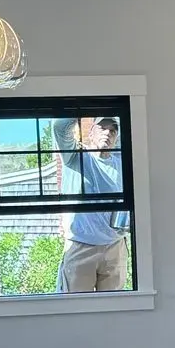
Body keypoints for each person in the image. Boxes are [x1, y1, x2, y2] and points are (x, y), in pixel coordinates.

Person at [53, 115, 130, 292]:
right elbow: (60, 127)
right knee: (74, 309)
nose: (107, 133)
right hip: (81, 246)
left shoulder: (122, 161)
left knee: (114, 309)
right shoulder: (75, 157)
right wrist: (83, 106)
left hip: (114, 248)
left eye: (113, 130)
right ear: (91, 132)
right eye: (102, 127)